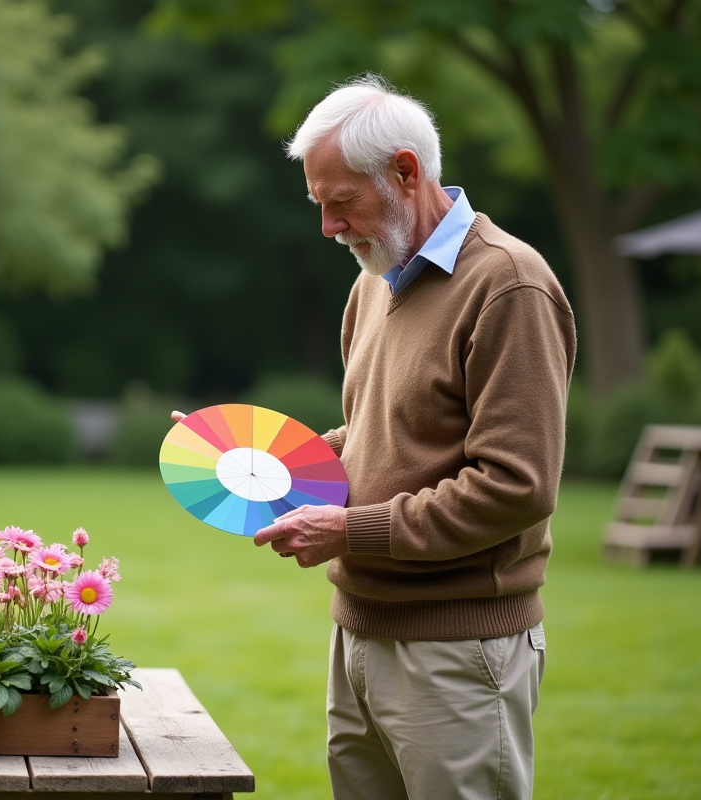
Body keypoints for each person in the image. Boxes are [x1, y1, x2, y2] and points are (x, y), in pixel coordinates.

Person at [175, 76, 576, 799]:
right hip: (358, 634)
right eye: (318, 204)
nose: (328, 226)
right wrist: (247, 456)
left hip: (458, 648)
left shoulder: (509, 285)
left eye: (342, 202)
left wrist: (351, 531)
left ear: (406, 172)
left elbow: (515, 486)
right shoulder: (374, 281)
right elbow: (375, 434)